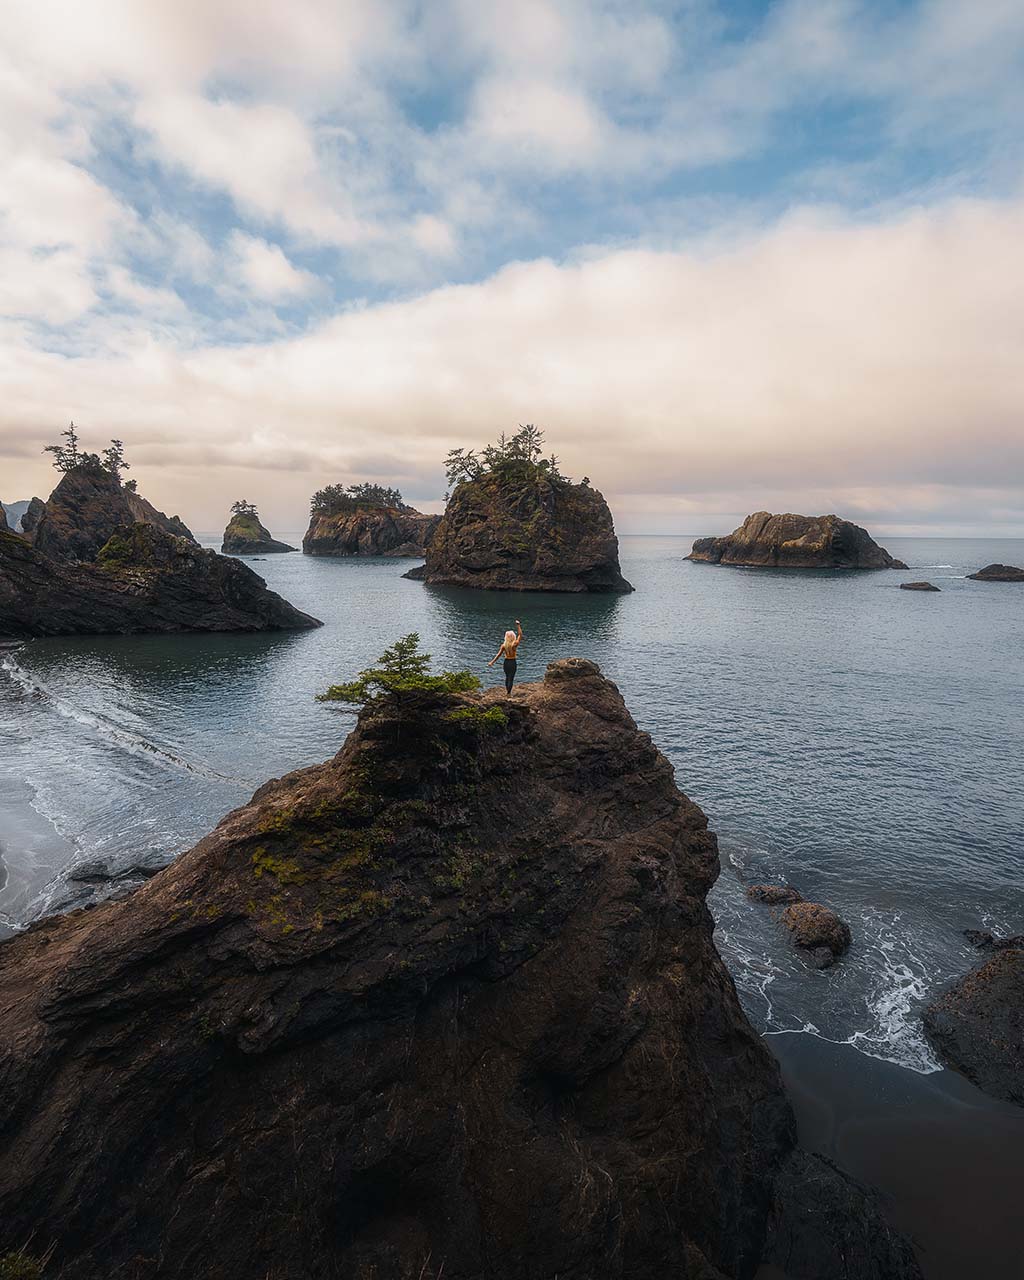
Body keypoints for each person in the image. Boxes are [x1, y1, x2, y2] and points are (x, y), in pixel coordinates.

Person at [488, 618, 523, 695]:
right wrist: (518, 625)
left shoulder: (504, 645)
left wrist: (492, 662)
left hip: (506, 662)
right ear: (513, 637)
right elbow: (520, 634)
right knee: (511, 678)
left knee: (507, 677)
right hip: (512, 662)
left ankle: (507, 692)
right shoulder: (514, 644)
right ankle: (508, 693)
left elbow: (498, 655)